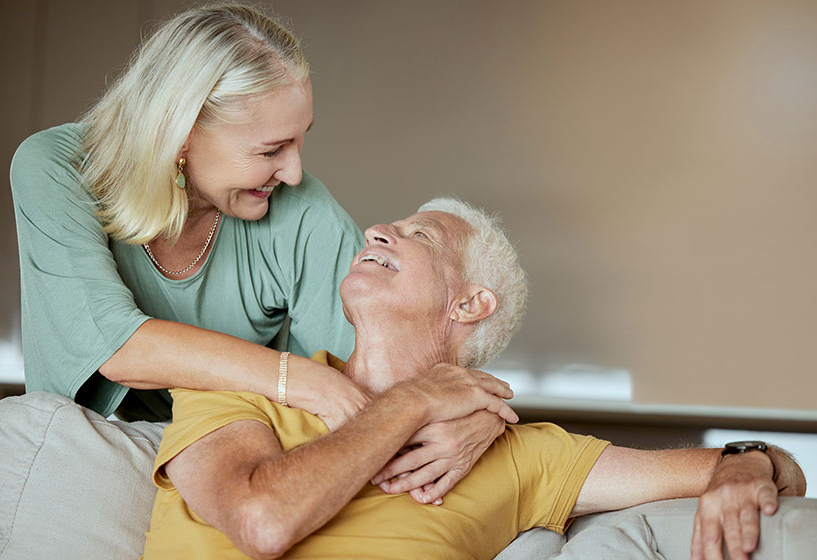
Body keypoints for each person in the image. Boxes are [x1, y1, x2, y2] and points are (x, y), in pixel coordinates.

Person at [9, 3, 501, 503]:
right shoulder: (57, 168)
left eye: (300, 141)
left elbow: (392, 356)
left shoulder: (299, 207)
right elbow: (114, 345)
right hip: (91, 461)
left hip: (240, 466)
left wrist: (480, 419)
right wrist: (301, 380)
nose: (292, 172)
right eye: (271, 150)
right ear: (181, 133)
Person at [141, 197, 806, 560]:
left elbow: (768, 469)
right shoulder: (242, 384)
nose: (377, 229)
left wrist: (750, 463)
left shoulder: (524, 456)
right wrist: (414, 401)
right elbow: (261, 523)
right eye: (390, 225)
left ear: (468, 304)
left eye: (418, 234)